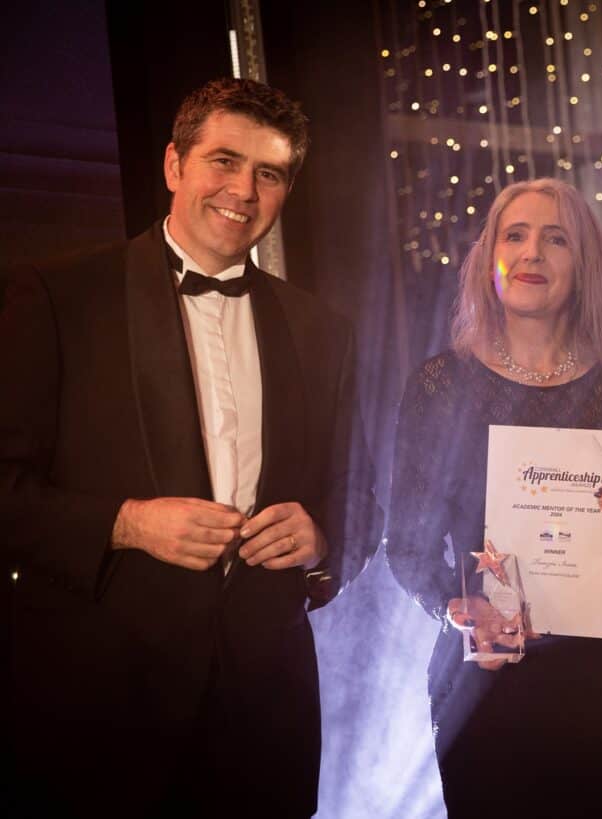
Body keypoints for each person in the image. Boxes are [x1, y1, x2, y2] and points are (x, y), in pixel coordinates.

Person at [0, 78, 380, 818]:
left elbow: (359, 496)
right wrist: (127, 522)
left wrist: (322, 533)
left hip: (264, 718)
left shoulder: (322, 329)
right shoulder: (55, 297)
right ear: (174, 165)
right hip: (99, 714)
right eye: (224, 161)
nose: (243, 189)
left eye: (268, 173)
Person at [385, 177, 602, 818]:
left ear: (584, 266)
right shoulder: (439, 384)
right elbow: (408, 548)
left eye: (555, 238)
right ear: (490, 260)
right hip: (487, 683)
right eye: (516, 235)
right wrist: (458, 608)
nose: (533, 253)